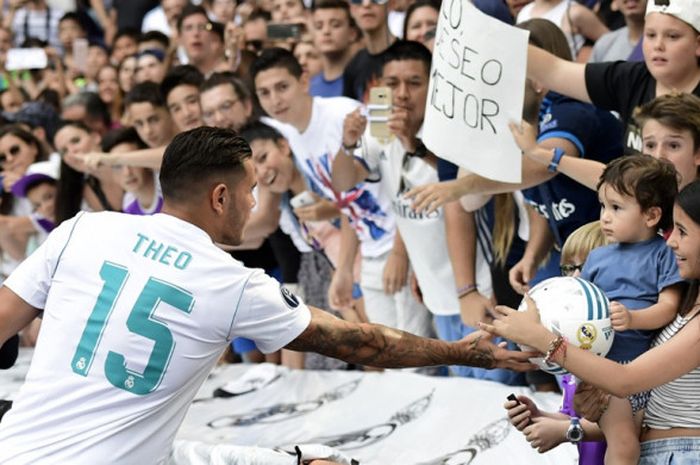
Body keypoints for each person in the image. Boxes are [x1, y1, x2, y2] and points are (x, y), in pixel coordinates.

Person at [0, 127, 533, 464]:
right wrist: (464, 352)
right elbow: (364, 344)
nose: (256, 202)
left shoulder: (81, 229)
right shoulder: (231, 281)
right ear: (220, 196)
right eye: (251, 189)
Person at [483, 178, 700, 464]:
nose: (670, 240)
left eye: (682, 231)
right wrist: (559, 424)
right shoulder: (687, 302)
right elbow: (639, 413)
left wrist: (541, 338)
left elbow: (625, 381)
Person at [521, 0, 700, 154]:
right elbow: (555, 70)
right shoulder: (630, 78)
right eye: (651, 35)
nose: (658, 45)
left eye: (673, 36)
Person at [505, 220, 608, 464]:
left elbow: (632, 424)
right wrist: (539, 416)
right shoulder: (571, 350)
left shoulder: (625, 348)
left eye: (584, 267)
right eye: (567, 268)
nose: (574, 277)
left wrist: (566, 432)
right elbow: (574, 416)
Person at [512, 92, 700, 192]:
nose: (659, 156)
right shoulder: (646, 191)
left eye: (673, 145)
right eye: (650, 145)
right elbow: (605, 178)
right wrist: (537, 153)